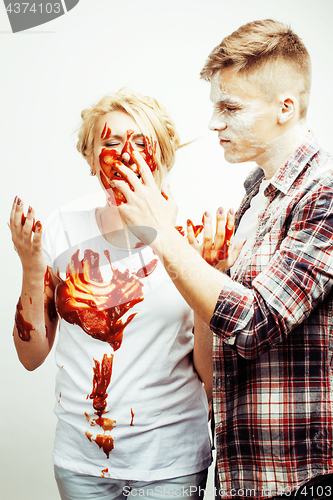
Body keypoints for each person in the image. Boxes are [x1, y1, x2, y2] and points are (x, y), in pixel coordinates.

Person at [109, 20, 333, 500]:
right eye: (215, 105)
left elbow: (256, 325)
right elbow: (222, 349)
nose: (214, 122)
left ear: (285, 108)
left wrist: (161, 235)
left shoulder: (326, 193)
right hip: (244, 473)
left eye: (230, 107)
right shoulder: (254, 198)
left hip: (301, 477)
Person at [9, 89, 214, 500]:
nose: (126, 154)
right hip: (81, 463)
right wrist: (32, 266)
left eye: (141, 142)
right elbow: (31, 358)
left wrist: (208, 268)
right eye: (111, 142)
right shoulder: (63, 226)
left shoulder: (194, 234)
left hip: (170, 463)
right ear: (90, 157)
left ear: (163, 156)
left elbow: (210, 372)